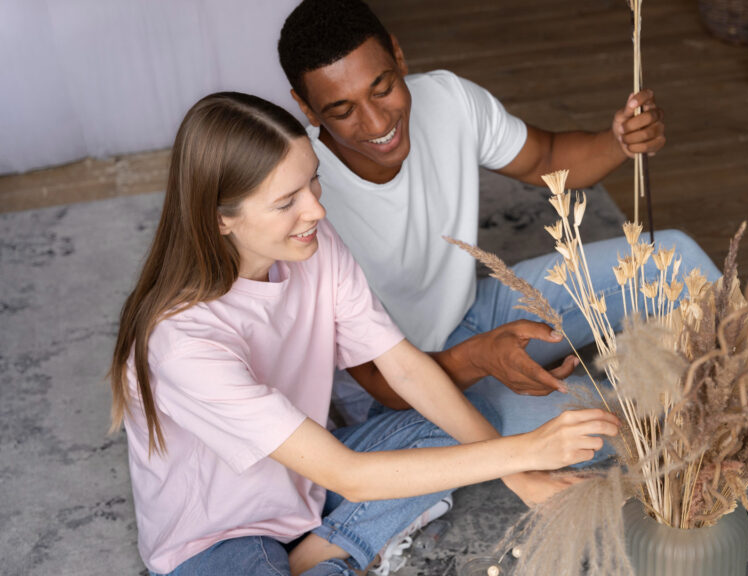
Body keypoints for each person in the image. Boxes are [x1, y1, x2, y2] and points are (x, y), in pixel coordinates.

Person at [277, 0, 748, 534]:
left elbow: (551, 157)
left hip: (480, 309)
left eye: (383, 88)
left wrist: (619, 141)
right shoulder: (308, 203)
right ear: (304, 109)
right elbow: (381, 381)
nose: (375, 124)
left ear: (399, 56)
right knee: (594, 425)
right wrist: (474, 359)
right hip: (407, 390)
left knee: (671, 257)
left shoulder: (445, 100)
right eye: (340, 111)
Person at [108, 92, 620, 576]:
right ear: (221, 219)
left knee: (469, 415)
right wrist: (528, 451)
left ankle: (319, 554)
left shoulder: (311, 242)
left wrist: (520, 477)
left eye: (313, 182)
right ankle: (338, 552)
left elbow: (403, 366)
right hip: (221, 536)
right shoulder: (182, 343)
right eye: (286, 202)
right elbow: (349, 476)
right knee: (472, 449)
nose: (316, 210)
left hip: (309, 480)